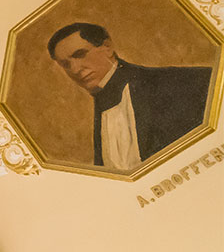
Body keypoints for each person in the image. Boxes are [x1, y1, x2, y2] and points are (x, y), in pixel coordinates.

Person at [47, 22, 214, 172]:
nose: (75, 69)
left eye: (80, 54)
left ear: (107, 47)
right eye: (66, 64)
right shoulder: (101, 108)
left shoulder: (186, 81)